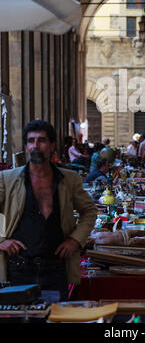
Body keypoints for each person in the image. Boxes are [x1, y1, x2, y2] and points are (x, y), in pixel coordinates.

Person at [0, 120, 97, 301]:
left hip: (56, 268)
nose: (35, 145)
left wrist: (75, 240)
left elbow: (89, 211)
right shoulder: (8, 179)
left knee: (55, 316)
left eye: (41, 140)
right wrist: (2, 240)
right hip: (19, 268)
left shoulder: (69, 179)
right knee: (21, 317)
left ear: (52, 145)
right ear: (26, 146)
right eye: (31, 141)